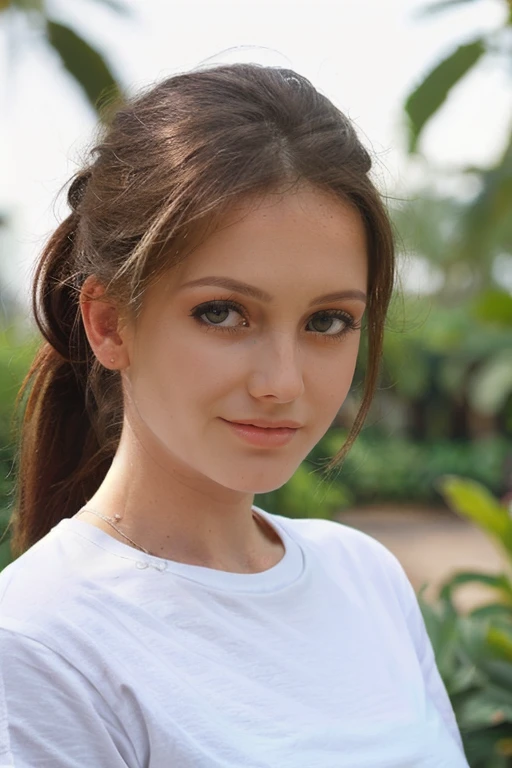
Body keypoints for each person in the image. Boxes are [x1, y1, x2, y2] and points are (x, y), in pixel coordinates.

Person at [0, 63, 469, 768]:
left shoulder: (365, 576)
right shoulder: (37, 643)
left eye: (329, 321)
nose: (283, 382)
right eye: (222, 313)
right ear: (108, 324)